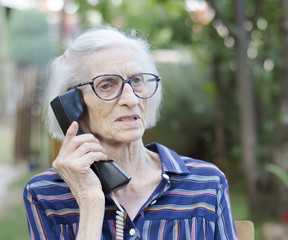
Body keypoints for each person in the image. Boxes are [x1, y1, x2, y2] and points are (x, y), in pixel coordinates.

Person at [23, 26, 239, 240]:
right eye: (107, 85)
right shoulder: (45, 195)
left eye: (137, 81)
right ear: (73, 104)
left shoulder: (206, 183)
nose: (131, 99)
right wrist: (90, 203)